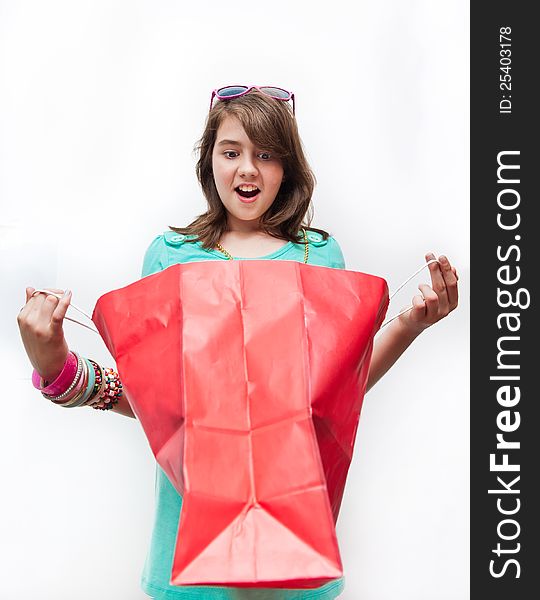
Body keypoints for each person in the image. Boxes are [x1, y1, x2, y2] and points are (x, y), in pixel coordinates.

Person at [17, 85, 459, 599]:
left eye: (266, 154)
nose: (247, 168)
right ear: (210, 161)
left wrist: (409, 325)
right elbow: (149, 403)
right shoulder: (171, 256)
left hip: (296, 560)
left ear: (287, 168)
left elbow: (335, 390)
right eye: (232, 152)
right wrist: (55, 365)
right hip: (187, 559)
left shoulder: (318, 256)